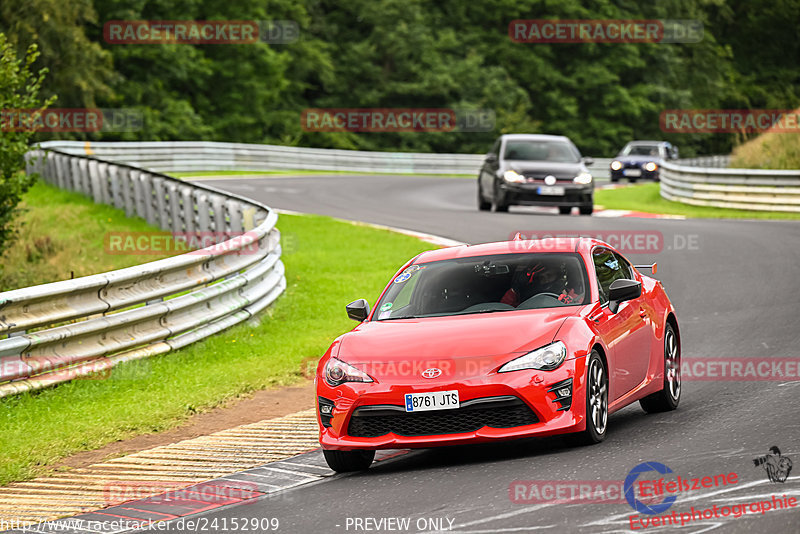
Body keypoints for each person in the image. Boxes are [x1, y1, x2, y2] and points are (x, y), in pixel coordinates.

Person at [500, 261, 582, 307]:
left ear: (558, 276)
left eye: (549, 275)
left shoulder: (570, 293)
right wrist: (515, 290)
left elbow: (581, 307)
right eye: (542, 276)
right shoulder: (527, 291)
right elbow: (505, 307)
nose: (545, 279)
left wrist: (569, 300)